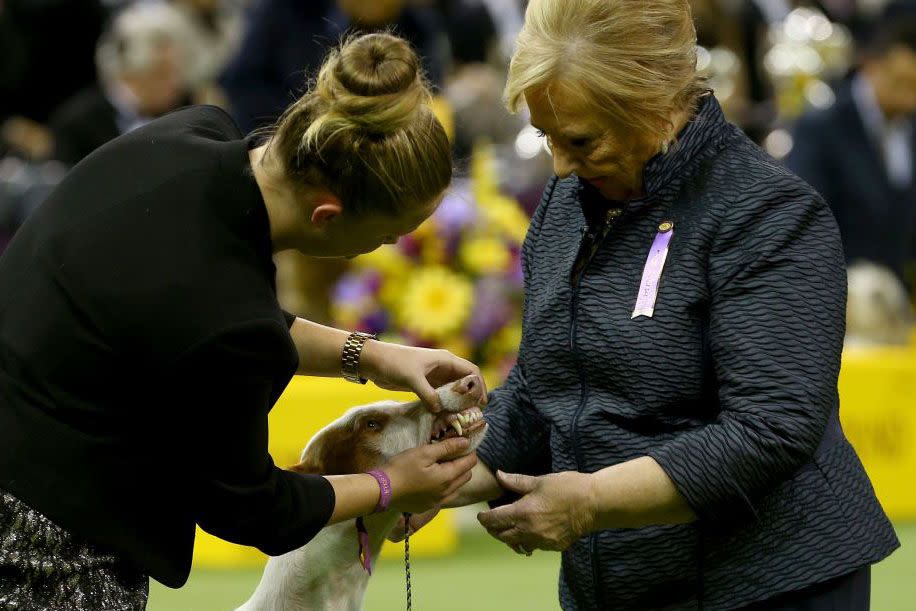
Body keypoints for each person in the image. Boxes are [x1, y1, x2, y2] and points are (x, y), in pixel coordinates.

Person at [406, 1, 898, 609]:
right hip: (620, 586)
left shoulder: (770, 215)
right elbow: (543, 390)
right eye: (546, 136)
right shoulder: (566, 204)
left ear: (656, 101)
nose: (559, 163)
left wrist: (590, 502)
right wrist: (441, 479)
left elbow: (770, 429)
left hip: (773, 585)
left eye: (580, 139)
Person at [0, 32, 481, 610]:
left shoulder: (187, 133)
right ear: (327, 216)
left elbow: (197, 315)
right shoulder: (225, 315)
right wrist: (392, 486)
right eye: (384, 236)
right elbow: (254, 508)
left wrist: (374, 355)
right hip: (42, 552)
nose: (379, 248)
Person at [786, 8, 916, 288]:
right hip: (844, 299)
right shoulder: (822, 127)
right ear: (872, 65)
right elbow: (805, 224)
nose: (911, 98)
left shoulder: (909, 126)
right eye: (903, 84)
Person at [48, 2, 194, 167]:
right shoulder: (77, 124)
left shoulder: (186, 112)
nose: (176, 83)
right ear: (129, 74)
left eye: (177, 72)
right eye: (162, 74)